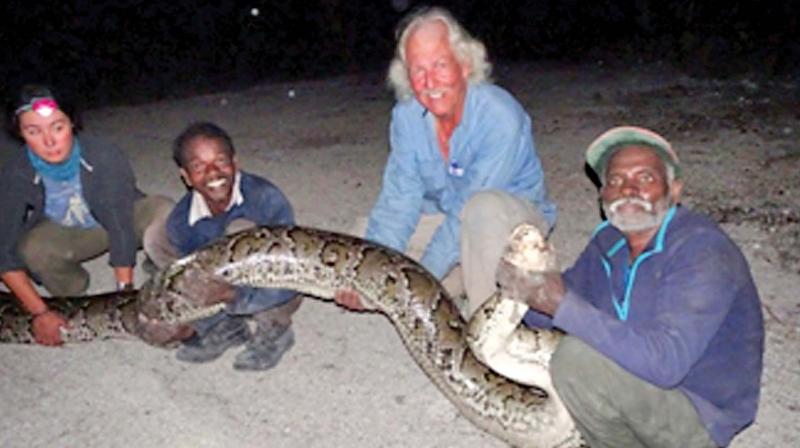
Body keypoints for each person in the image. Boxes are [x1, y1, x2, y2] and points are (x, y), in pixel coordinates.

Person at [496, 126, 764, 447]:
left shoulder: (703, 250)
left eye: (645, 178)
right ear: (602, 195)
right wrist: (523, 291)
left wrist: (559, 303)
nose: (628, 190)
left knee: (576, 360)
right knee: (564, 347)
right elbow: (556, 306)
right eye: (615, 181)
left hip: (699, 412)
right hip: (639, 381)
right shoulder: (608, 241)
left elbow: (667, 364)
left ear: (674, 190)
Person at [335, 7, 556, 317]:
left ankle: (487, 332)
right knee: (358, 248)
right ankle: (464, 278)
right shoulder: (406, 117)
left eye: (440, 65)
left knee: (482, 210)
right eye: (418, 70)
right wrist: (370, 270)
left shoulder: (499, 116)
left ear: (464, 65)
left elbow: (464, 214)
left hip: (507, 221)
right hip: (443, 216)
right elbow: (399, 201)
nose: (429, 81)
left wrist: (419, 279)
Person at [0, 84, 174, 346]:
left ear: (72, 123)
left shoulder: (103, 154)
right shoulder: (16, 172)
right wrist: (40, 312)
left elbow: (120, 226)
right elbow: (3, 250)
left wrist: (124, 296)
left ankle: (160, 261)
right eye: (33, 131)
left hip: (117, 218)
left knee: (162, 210)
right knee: (32, 249)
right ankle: (71, 289)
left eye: (57, 127)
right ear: (20, 134)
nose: (49, 141)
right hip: (67, 230)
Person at [147, 121, 301, 371]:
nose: (213, 172)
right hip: (219, 282)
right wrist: (197, 320)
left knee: (243, 234)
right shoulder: (182, 220)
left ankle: (274, 330)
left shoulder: (265, 197)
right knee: (157, 239)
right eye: (198, 166)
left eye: (220, 161)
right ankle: (226, 327)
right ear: (185, 176)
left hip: (278, 283)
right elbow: (193, 282)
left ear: (235, 163)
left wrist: (235, 295)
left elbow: (293, 270)